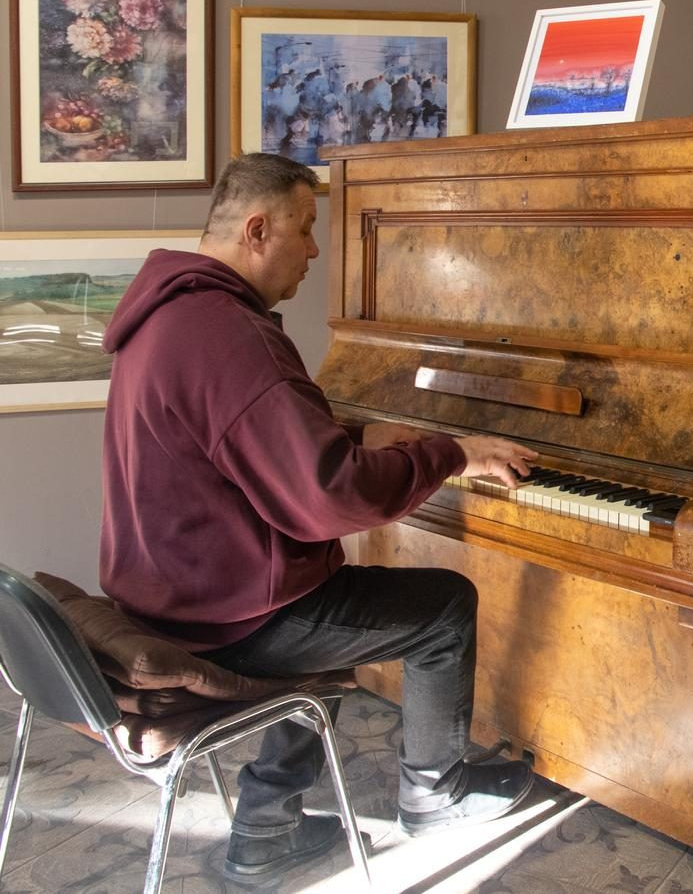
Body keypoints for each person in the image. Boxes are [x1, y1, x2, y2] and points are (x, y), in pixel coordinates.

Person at [98, 152, 538, 879]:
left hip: (171, 594)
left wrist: (355, 435)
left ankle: (266, 825)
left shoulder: (171, 313)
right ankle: (436, 793)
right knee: (444, 607)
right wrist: (452, 453)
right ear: (257, 230)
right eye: (304, 228)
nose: (313, 249)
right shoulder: (229, 333)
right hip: (231, 615)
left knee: (333, 607)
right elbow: (331, 498)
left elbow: (242, 443)